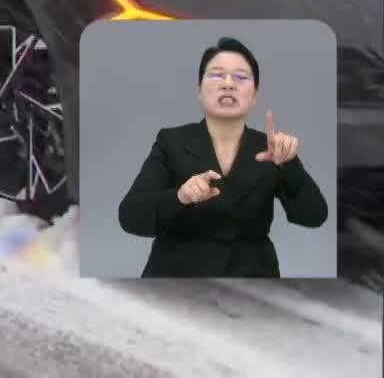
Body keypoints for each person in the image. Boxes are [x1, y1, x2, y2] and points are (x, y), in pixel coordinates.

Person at [117, 37, 329, 277]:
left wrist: (290, 166)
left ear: (255, 95)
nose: (228, 84)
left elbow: (314, 216)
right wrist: (180, 197)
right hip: (175, 280)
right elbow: (130, 217)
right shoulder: (172, 142)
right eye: (217, 75)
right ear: (199, 91)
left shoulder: (270, 148)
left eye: (241, 77)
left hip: (251, 283)